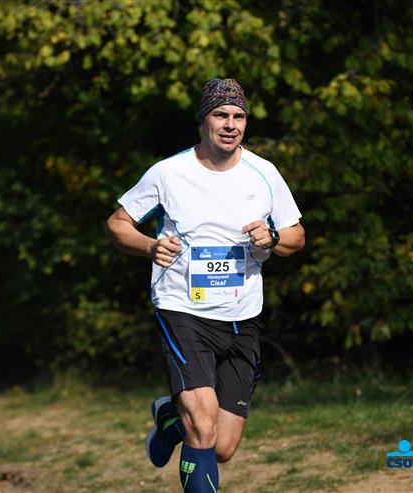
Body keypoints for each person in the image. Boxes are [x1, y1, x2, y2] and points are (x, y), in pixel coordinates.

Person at [105, 78, 304, 493]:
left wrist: (272, 237)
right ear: (203, 121)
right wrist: (149, 246)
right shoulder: (168, 173)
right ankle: (186, 421)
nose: (230, 124)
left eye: (238, 116)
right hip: (183, 310)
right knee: (203, 425)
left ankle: (169, 419)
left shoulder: (264, 173)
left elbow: (296, 235)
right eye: (221, 114)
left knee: (222, 446)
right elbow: (117, 224)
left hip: (242, 316)